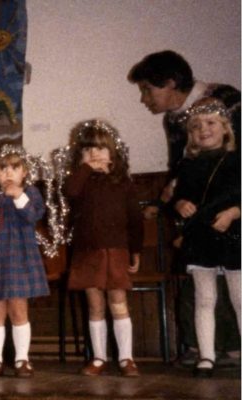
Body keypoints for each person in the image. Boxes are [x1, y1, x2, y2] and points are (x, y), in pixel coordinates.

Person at [128, 50, 241, 366]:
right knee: (200, 282)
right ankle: (203, 349)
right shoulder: (173, 118)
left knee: (235, 287)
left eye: (149, 89)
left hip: (231, 214)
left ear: (171, 83)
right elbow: (182, 169)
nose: (144, 99)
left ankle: (232, 349)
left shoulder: (227, 100)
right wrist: (166, 201)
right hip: (200, 218)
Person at [64, 119, 143, 378]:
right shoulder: (81, 181)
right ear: (80, 157)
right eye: (88, 150)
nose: (94, 154)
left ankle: (126, 358)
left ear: (113, 153)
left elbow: (135, 219)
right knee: (95, 304)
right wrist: (86, 169)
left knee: (118, 302)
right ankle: (99, 357)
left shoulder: (123, 183)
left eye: (100, 148)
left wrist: (136, 250)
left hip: (116, 250)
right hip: (87, 251)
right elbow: (70, 190)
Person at [171, 99, 240, 377]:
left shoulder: (237, 160)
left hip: (233, 234)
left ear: (225, 128)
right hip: (201, 238)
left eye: (211, 123)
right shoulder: (188, 164)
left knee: (239, 298)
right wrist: (179, 204)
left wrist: (234, 213)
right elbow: (178, 196)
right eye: (196, 126)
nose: (204, 129)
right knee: (204, 298)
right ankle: (206, 356)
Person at [0, 145, 49, 379]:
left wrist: (18, 195)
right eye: (2, 168)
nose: (8, 173)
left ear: (25, 172)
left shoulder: (30, 193)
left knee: (19, 310)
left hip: (20, 258)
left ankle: (22, 360)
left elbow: (32, 215)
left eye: (14, 167)